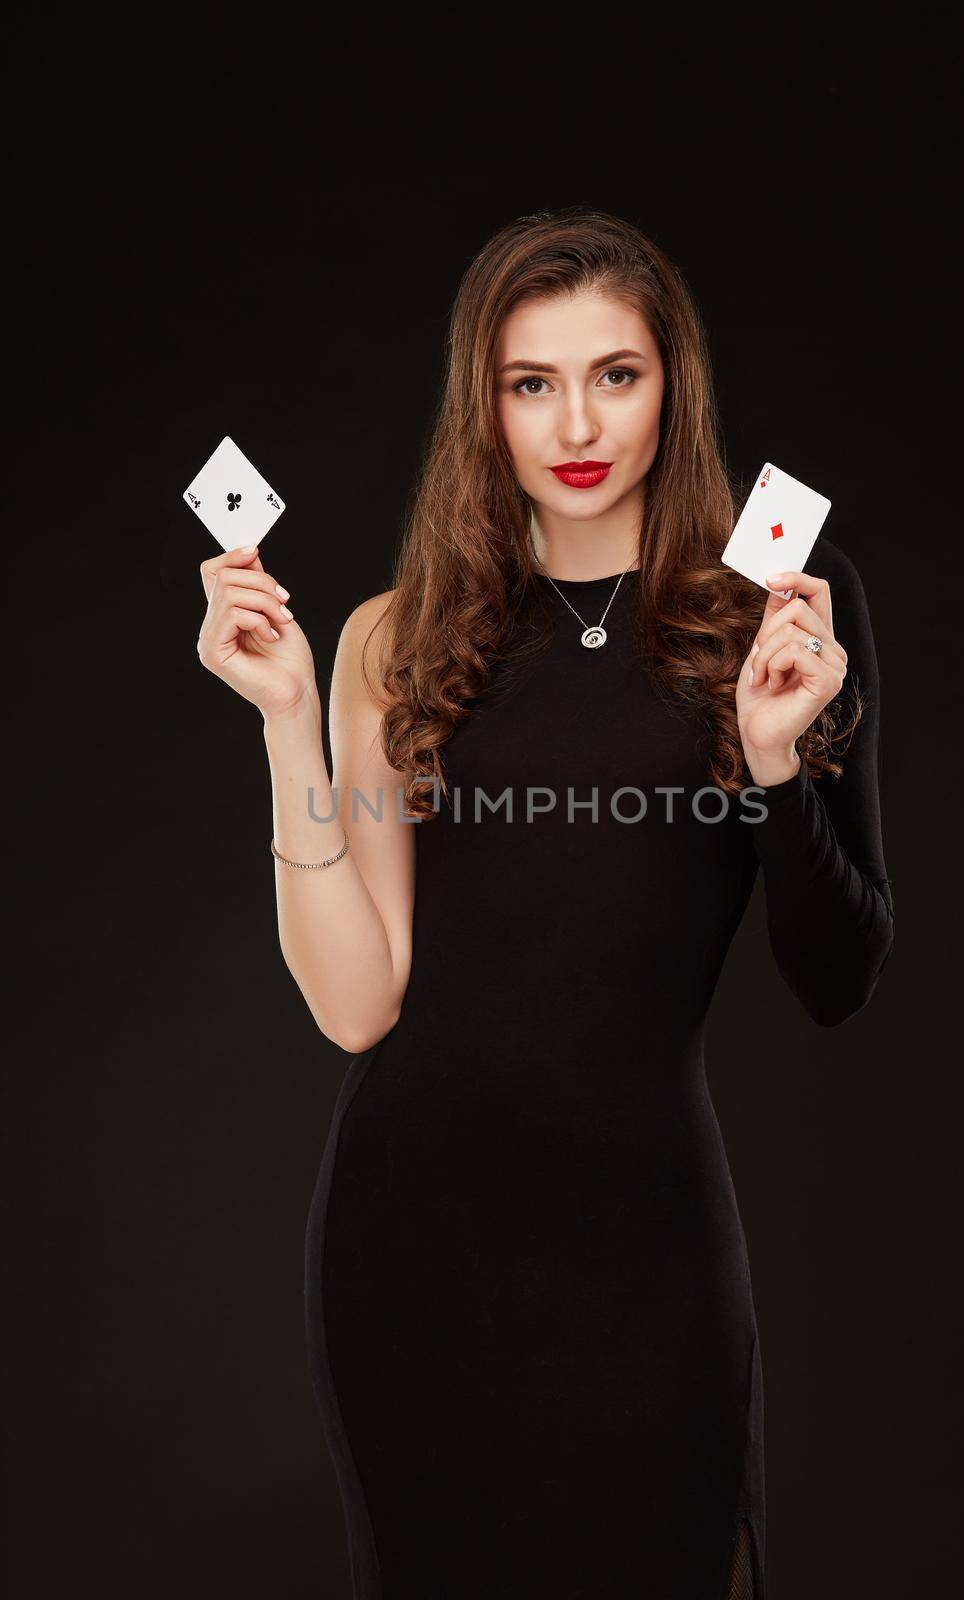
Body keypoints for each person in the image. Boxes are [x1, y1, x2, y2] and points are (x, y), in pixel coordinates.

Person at [196, 206, 894, 1600]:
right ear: (487, 406)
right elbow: (356, 1003)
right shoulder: (397, 633)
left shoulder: (777, 611)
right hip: (413, 1253)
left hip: (652, 1256)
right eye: (532, 383)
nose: (577, 420)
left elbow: (839, 972)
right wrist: (286, 726)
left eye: (615, 375)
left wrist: (770, 764)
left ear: (671, 387)